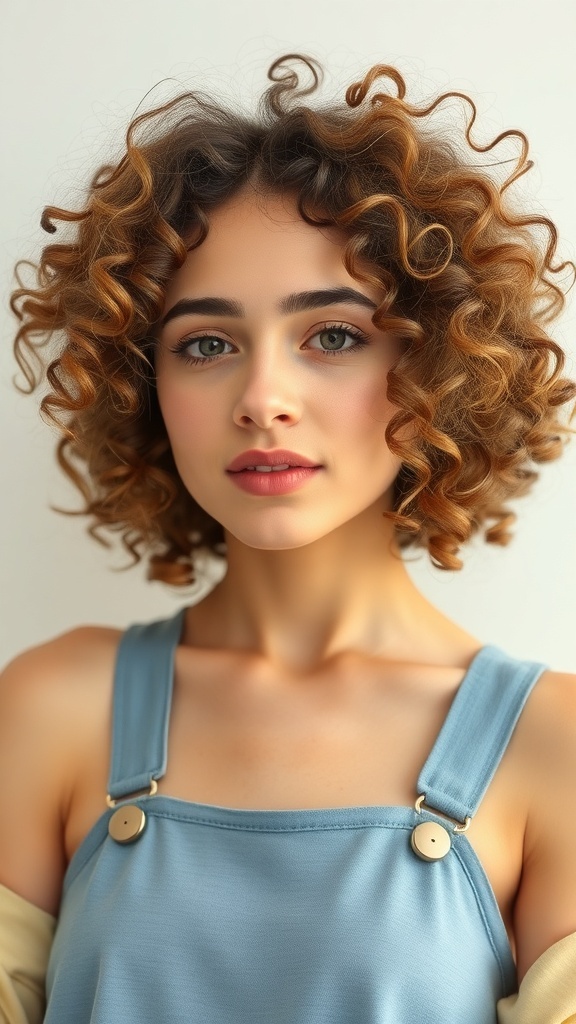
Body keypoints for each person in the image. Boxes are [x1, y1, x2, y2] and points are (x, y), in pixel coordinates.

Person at [1, 53, 576, 1024]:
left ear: (434, 361)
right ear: (149, 386)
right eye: (207, 344)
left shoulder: (553, 746)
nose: (263, 399)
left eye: (334, 336)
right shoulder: (51, 709)